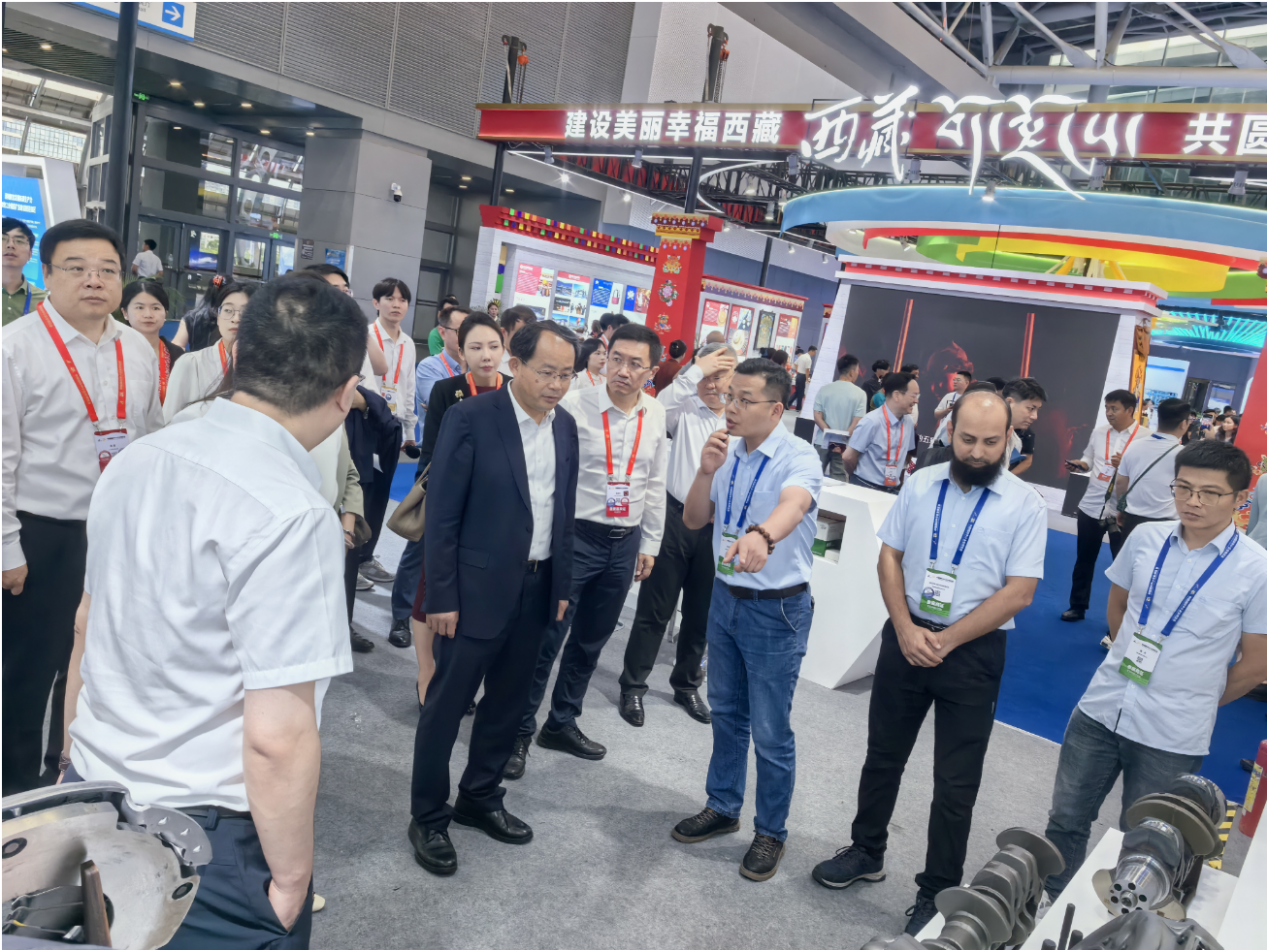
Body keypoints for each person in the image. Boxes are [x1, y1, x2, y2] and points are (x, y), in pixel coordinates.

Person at [60, 274, 364, 946]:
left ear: (239, 355)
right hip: (202, 836)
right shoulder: (291, 511)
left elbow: (86, 625)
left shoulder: (137, 460)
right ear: (345, 392)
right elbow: (277, 735)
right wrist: (291, 881)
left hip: (93, 789)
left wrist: (67, 762)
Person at [811, 390, 1046, 934]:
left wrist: (948, 640)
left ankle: (937, 890)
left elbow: (1020, 592)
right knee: (882, 756)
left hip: (973, 652)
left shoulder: (1025, 504)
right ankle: (866, 851)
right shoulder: (920, 484)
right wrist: (903, 627)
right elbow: (889, 556)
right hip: (906, 636)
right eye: (968, 439)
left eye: (991, 441)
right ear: (949, 431)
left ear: (1008, 439)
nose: (978, 452)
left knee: (956, 783)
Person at [1042, 440, 1267, 900]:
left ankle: (1125, 921)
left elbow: (1256, 663)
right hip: (1102, 707)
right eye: (1183, 488)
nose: (1193, 501)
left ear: (1240, 499)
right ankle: (1050, 899)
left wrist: (1198, 696)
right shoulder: (1146, 539)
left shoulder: (1256, 569)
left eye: (1209, 493)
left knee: (1149, 839)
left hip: (1172, 731)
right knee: (1065, 819)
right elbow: (1118, 608)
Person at [406, 320, 580, 876]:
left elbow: (563, 512)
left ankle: (480, 796)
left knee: (508, 703)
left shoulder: (566, 426)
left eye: (567, 375)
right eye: (547, 373)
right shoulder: (473, 418)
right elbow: (443, 516)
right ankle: (428, 816)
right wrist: (441, 595)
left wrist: (561, 587)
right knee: (446, 708)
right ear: (515, 365)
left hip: (538, 587)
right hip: (472, 592)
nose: (556, 385)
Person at [2, 218, 163, 795]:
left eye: (107, 270)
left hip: (115, 531)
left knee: (95, 662)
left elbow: (149, 437)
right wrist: (7, 547)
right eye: (77, 268)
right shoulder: (15, 347)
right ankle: (14, 793)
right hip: (40, 533)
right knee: (27, 670)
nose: (94, 280)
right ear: (47, 275)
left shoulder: (136, 349)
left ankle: (66, 777)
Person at [671, 357, 822, 882]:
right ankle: (723, 805)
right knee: (727, 712)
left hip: (775, 608)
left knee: (771, 728)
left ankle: (771, 830)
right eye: (728, 396)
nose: (730, 407)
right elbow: (695, 519)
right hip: (725, 598)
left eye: (743, 400)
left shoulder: (798, 456)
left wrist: (762, 535)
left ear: (776, 409)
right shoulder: (726, 450)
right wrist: (705, 470)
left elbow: (794, 505)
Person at [509, 324, 668, 777]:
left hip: (625, 542)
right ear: (605, 357)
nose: (623, 370)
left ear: (651, 371)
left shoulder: (655, 413)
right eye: (616, 358)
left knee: (591, 641)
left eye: (635, 364)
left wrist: (650, 542)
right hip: (577, 537)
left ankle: (561, 722)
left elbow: (655, 481)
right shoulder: (574, 405)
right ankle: (518, 731)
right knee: (548, 637)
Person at [619, 343, 738, 728]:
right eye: (706, 375)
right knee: (655, 609)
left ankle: (686, 685)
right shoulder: (681, 409)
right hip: (675, 519)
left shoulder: (741, 421)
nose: (712, 384)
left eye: (720, 376)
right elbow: (660, 402)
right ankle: (633, 685)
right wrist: (694, 371)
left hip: (719, 528)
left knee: (702, 613)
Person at [394, 312, 510, 652]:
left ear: (504, 349)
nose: (486, 355)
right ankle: (401, 615)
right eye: (476, 347)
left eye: (493, 347)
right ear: (462, 352)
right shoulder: (447, 389)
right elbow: (432, 449)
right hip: (447, 491)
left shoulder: (514, 390)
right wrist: (427, 494)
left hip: (492, 500)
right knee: (423, 556)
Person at [1062, 389, 1147, 623]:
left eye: (1114, 409)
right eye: (1107, 408)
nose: (1109, 413)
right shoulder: (1099, 433)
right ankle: (1077, 606)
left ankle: (1122, 619)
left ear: (1129, 410)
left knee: (1124, 566)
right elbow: (1089, 459)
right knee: (1084, 560)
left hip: (1124, 511)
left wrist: (1126, 465)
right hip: (1092, 505)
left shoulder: (1145, 438)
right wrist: (1080, 464)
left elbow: (1147, 475)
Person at [356, 278, 418, 588]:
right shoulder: (364, 336)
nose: (396, 304)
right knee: (359, 491)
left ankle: (366, 556)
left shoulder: (408, 343)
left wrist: (409, 430)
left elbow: (408, 388)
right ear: (375, 303)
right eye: (389, 298)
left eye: (402, 299)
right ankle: (350, 558)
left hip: (392, 427)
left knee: (380, 495)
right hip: (366, 420)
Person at [163, 281, 256, 423]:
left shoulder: (264, 369)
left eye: (246, 312)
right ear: (217, 317)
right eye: (228, 310)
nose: (236, 319)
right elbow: (168, 421)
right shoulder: (191, 364)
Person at [1113, 397, 1188, 542]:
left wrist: (1121, 509)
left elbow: (1121, 483)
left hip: (1132, 518)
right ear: (1183, 423)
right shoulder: (1184, 454)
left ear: (1159, 418)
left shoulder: (1134, 445)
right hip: (1165, 523)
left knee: (1128, 555)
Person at [304, 263, 389, 386]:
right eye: (335, 291)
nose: (344, 297)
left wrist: (358, 324)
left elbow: (381, 368)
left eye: (345, 291)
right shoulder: (308, 338)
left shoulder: (352, 331)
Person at [842, 371, 919, 493]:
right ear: (897, 395)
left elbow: (906, 455)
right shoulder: (872, 421)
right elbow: (848, 457)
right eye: (913, 396)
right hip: (865, 487)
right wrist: (857, 478)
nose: (916, 401)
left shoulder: (908, 422)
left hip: (892, 489)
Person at [121, 280, 183, 406]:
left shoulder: (178, 356)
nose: (148, 315)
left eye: (155, 308)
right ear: (125, 312)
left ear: (165, 314)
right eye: (139, 307)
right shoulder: (110, 351)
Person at [813, 353, 868, 477]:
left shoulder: (824, 389)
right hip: (844, 446)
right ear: (852, 372)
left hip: (822, 442)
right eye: (857, 370)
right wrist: (839, 441)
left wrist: (830, 436)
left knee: (813, 477)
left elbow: (817, 416)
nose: (858, 373)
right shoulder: (860, 394)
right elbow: (857, 422)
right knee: (839, 482)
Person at [416, 305, 470, 415]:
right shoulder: (429, 366)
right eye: (460, 331)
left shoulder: (477, 367)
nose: (466, 337)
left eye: (470, 331)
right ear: (442, 333)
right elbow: (439, 405)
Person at [3, 217, 47, 325]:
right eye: (2, 239)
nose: (10, 245)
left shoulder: (44, 302)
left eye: (19, 241)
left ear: (30, 254)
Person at [1000, 377, 1046, 477]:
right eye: (1030, 408)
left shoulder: (1016, 441)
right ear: (1009, 402)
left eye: (1037, 410)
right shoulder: (980, 427)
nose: (1035, 416)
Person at [931, 370, 971, 448]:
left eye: (958, 380)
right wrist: (946, 411)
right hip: (943, 438)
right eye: (954, 380)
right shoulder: (948, 396)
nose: (955, 382)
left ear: (967, 382)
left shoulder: (971, 399)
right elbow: (936, 414)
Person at [498, 303, 536, 373]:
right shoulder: (493, 363)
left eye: (529, 334)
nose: (525, 339)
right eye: (520, 333)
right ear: (503, 332)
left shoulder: (535, 361)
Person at [792, 345, 814, 410]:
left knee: (798, 392)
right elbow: (807, 370)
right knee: (800, 392)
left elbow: (795, 364)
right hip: (802, 376)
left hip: (798, 375)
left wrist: (798, 370)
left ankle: (794, 405)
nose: (814, 354)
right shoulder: (808, 359)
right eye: (814, 352)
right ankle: (798, 407)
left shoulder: (802, 356)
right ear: (811, 351)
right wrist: (807, 379)